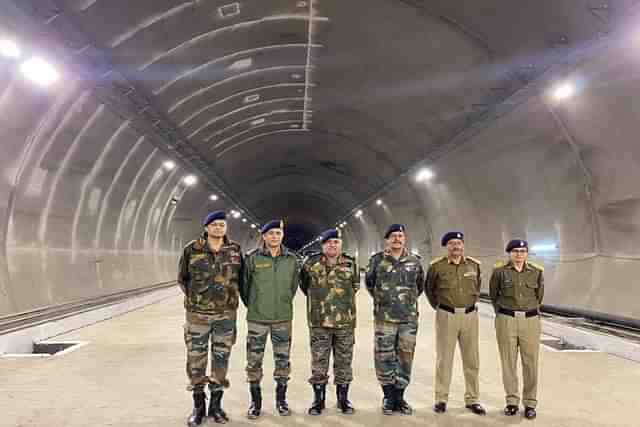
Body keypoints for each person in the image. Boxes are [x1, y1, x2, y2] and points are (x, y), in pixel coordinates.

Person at [178, 211, 244, 425]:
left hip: (226, 316)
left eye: (221, 224)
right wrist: (197, 300)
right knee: (196, 361)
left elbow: (241, 278)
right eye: (214, 225)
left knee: (221, 360)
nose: (218, 228)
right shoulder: (192, 249)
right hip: (197, 316)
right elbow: (182, 279)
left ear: (226, 228)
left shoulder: (234, 250)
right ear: (206, 227)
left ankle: (216, 406)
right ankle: (198, 406)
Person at [240, 220, 299, 418]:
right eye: (271, 233)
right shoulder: (252, 259)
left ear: (282, 235)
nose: (275, 236)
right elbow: (244, 287)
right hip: (257, 318)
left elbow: (293, 286)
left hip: (282, 318)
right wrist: (255, 305)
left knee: (283, 361)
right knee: (253, 361)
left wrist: (282, 303)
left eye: (278, 233)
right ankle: (255, 403)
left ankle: (281, 401)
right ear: (263, 236)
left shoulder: (291, 259)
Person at [425, 231, 486, 415]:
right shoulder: (437, 266)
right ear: (446, 246)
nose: (456, 246)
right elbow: (429, 290)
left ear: (463, 245)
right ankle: (441, 399)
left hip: (470, 316)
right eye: (452, 243)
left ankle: (472, 399)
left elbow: (478, 288)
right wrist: (441, 309)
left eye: (459, 243)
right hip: (447, 316)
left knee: (472, 360)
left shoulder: (474, 265)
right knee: (445, 359)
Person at [365, 224, 424, 415]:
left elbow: (419, 286)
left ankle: (400, 396)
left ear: (404, 238)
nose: (397, 239)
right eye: (393, 236)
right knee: (384, 357)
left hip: (408, 319)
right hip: (385, 319)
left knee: (405, 357)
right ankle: (388, 396)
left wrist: (407, 303)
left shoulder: (415, 261)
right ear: (387, 240)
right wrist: (384, 302)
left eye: (400, 236)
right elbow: (370, 284)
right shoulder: (377, 261)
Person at [299, 228, 359, 415]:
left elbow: (355, 286)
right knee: (319, 362)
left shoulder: (350, 263)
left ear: (340, 244)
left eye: (336, 241)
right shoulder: (311, 263)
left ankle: (343, 400)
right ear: (322, 245)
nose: (332, 245)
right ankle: (319, 400)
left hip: (345, 323)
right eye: (328, 242)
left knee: (344, 362)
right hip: (319, 323)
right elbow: (304, 285)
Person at [490, 239, 544, 420]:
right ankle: (512, 401)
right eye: (515, 251)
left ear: (527, 253)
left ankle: (530, 403)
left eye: (522, 251)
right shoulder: (499, 272)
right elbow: (493, 295)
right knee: (508, 363)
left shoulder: (536, 272)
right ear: (509, 253)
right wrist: (503, 313)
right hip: (506, 319)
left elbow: (539, 296)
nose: (519, 254)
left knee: (531, 363)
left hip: (530, 320)